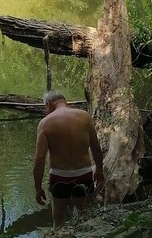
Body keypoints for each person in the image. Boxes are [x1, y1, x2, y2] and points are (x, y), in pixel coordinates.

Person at [33, 90, 105, 228]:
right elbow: (96, 147)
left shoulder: (45, 123)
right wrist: (99, 171)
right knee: (88, 217)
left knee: (59, 223)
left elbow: (39, 159)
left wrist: (38, 188)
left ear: (48, 104)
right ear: (64, 101)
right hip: (84, 174)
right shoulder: (84, 116)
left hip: (59, 177)